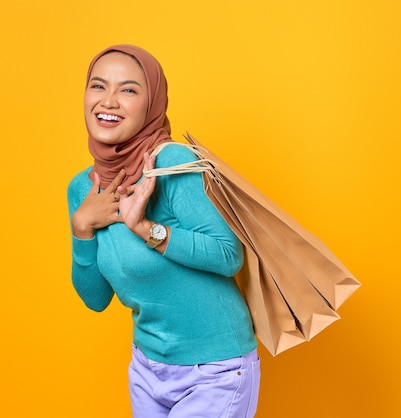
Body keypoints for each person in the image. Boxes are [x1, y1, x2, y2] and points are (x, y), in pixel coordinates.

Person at [67, 44, 260, 418]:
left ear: (152, 103)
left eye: (128, 90)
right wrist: (82, 228)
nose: (108, 101)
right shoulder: (82, 189)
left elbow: (228, 255)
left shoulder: (172, 163)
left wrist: (145, 228)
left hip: (214, 370)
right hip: (147, 368)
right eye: (98, 86)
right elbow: (95, 299)